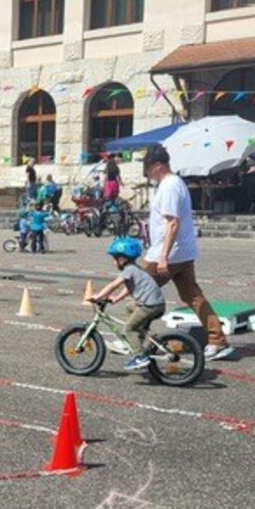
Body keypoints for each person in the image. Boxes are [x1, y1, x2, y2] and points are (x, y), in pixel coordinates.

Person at [140, 144, 234, 361]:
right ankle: (217, 340)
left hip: (168, 254)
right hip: (181, 252)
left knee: (139, 289)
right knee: (192, 296)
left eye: (147, 167)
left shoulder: (170, 185)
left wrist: (163, 256)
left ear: (158, 165)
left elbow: (173, 223)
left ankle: (133, 339)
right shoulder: (172, 184)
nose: (146, 173)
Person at [91, 237, 167, 371]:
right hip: (156, 304)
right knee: (129, 306)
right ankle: (138, 337)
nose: (114, 262)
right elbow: (129, 287)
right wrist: (117, 299)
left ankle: (139, 356)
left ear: (122, 259)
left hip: (149, 306)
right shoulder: (135, 269)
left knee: (127, 329)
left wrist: (99, 296)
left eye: (115, 258)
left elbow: (114, 284)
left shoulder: (129, 270)